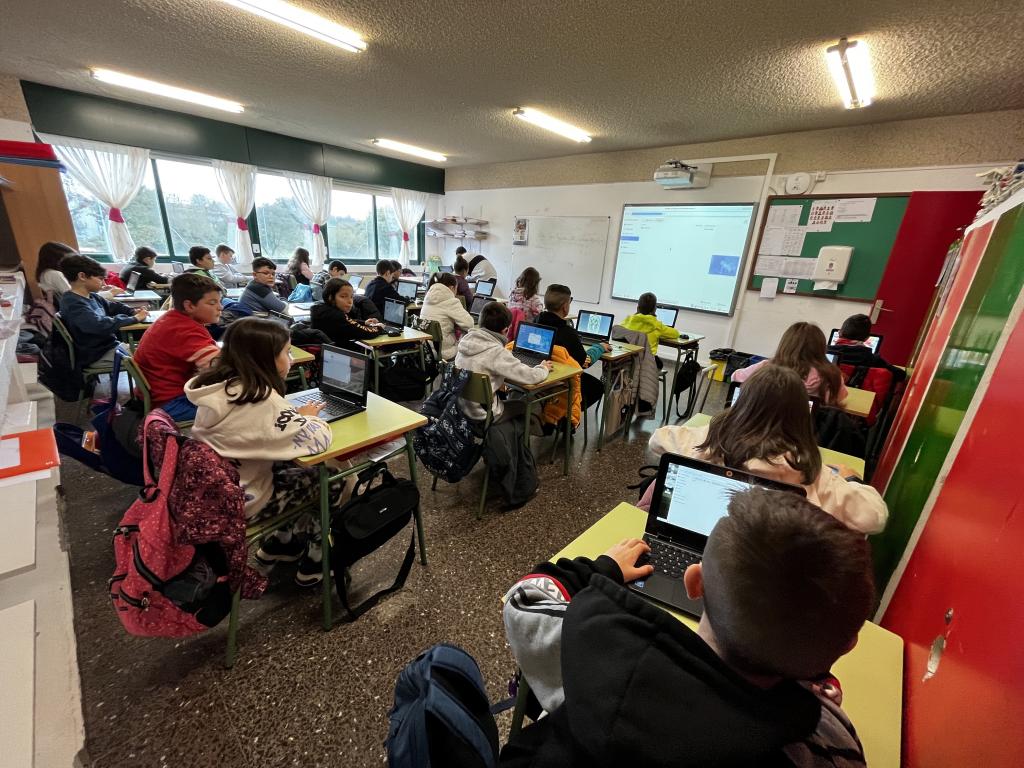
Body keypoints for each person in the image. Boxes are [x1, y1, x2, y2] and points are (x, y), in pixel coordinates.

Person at [499, 486, 875, 766]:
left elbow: (524, 599)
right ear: (847, 645)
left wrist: (606, 567)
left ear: (694, 584)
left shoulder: (591, 647)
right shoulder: (830, 744)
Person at [645, 364, 887, 534]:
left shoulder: (708, 441)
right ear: (801, 418)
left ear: (743, 405)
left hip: (697, 538)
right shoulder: (812, 475)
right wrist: (851, 478)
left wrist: (713, 429)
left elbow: (658, 439)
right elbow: (874, 517)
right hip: (761, 568)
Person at [185, 318, 335, 586]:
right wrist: (309, 418)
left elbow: (263, 432)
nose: (291, 359)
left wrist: (291, 417)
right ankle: (316, 560)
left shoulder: (222, 388)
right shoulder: (260, 399)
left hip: (214, 495)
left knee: (291, 466)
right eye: (286, 352)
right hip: (243, 503)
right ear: (266, 359)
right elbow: (318, 440)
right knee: (333, 476)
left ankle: (282, 543)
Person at [454, 301, 552, 511]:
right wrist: (542, 367)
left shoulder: (465, 341)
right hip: (484, 415)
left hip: (461, 412)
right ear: (506, 330)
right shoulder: (496, 352)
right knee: (524, 407)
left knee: (512, 403)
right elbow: (531, 377)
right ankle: (522, 467)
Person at [132, 273, 222, 422]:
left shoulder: (172, 319)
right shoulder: (185, 330)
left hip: (156, 395)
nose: (220, 307)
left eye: (219, 301)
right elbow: (220, 368)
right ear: (189, 306)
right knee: (242, 404)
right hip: (170, 403)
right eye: (212, 303)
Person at [57, 253, 147, 367]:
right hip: (97, 354)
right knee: (150, 358)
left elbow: (113, 306)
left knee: (151, 351)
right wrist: (134, 318)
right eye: (100, 279)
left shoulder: (91, 296)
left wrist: (132, 311)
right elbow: (98, 325)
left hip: (109, 347)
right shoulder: (73, 303)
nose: (104, 284)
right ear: (82, 276)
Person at [732, 321, 847, 405]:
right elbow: (840, 397)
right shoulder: (832, 375)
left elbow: (735, 377)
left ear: (785, 344)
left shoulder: (767, 367)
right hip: (808, 427)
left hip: (766, 423)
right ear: (821, 348)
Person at [535, 283, 607, 409]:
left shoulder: (535, 321)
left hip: (539, 370)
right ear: (565, 307)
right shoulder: (568, 333)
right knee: (597, 387)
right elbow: (584, 363)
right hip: (562, 379)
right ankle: (567, 415)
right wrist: (600, 348)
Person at [829, 314, 907, 383]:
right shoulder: (871, 359)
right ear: (867, 338)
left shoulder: (825, 352)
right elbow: (901, 375)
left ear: (839, 333)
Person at [310, 278, 382, 349]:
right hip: (339, 353)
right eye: (343, 296)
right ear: (331, 297)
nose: (350, 301)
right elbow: (366, 333)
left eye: (351, 297)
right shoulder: (336, 315)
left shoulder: (321, 309)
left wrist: (364, 323)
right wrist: (379, 327)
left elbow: (347, 323)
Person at [36, 242, 123, 301]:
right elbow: (77, 297)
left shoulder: (46, 273)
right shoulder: (54, 274)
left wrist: (98, 289)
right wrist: (109, 293)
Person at [419, 272, 473, 360]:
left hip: (428, 349)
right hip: (445, 351)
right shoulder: (450, 301)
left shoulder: (428, 298)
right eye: (456, 288)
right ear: (451, 288)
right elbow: (470, 324)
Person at [621, 291, 680, 362]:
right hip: (647, 362)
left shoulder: (627, 321)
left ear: (638, 307)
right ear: (654, 309)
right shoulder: (657, 325)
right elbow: (676, 334)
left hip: (625, 360)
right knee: (659, 363)